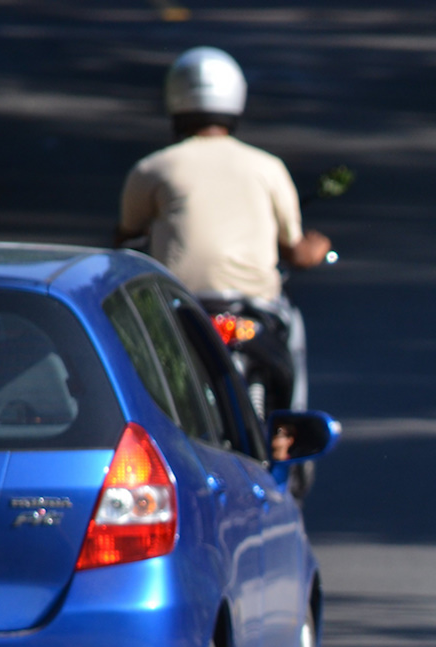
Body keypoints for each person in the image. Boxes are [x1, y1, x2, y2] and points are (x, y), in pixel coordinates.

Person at [115, 46, 331, 415]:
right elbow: (295, 250)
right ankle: (290, 426)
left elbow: (124, 238)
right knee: (292, 330)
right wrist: (316, 248)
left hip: (178, 302)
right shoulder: (268, 167)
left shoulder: (152, 168)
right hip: (254, 308)